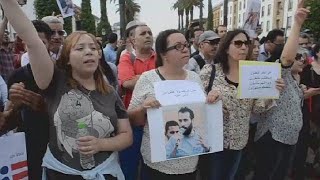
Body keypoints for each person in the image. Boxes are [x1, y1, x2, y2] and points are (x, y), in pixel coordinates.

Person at [0, 1, 133, 179]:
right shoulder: (55, 83)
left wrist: (101, 144)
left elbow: (126, 135)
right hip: (61, 173)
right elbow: (32, 40)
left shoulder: (109, 91)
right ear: (67, 58)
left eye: (93, 48)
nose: (89, 52)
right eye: (80, 48)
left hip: (105, 172)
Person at [127, 29, 220, 180]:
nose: (185, 49)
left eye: (186, 44)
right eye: (178, 46)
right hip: (157, 164)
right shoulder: (148, 79)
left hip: (190, 162)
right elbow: (131, 118)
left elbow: (201, 115)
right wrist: (143, 108)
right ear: (163, 54)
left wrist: (212, 100)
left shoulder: (194, 78)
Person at [199, 29, 285, 180]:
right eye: (238, 43)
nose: (244, 47)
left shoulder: (251, 73)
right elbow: (196, 105)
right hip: (212, 142)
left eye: (246, 43)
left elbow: (257, 108)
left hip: (239, 142)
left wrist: (272, 92)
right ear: (226, 47)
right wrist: (209, 99)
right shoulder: (210, 71)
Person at [253, 2, 310, 179]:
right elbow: (287, 57)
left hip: (289, 138)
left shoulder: (293, 80)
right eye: (298, 57)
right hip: (273, 138)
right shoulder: (280, 72)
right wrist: (297, 24)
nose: (303, 60)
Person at [5, 20, 52, 180]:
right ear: (24, 45)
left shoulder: (62, 75)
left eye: (40, 42)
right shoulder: (17, 76)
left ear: (48, 44)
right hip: (28, 146)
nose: (35, 47)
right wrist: (15, 107)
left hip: (57, 148)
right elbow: (8, 123)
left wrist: (45, 106)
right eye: (31, 43)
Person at [118, 23, 155, 180]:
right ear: (132, 40)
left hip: (155, 123)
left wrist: (138, 77)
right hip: (132, 122)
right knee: (129, 166)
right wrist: (156, 76)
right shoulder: (126, 57)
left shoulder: (160, 57)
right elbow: (126, 82)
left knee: (152, 166)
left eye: (149, 32)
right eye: (143, 33)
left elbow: (168, 79)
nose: (148, 36)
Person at [0, 17, 15, 82]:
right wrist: (6, 18)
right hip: (3, 81)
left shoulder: (10, 50)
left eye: (7, 34)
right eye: (4, 34)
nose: (6, 35)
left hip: (13, 79)